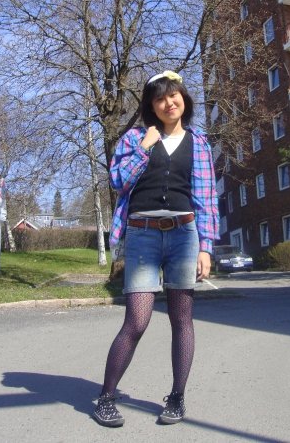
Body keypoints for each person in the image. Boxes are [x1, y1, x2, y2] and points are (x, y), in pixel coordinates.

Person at [93, 70, 219, 427]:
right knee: (137, 320)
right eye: (160, 98)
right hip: (142, 234)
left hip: (184, 235)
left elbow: (206, 198)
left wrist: (206, 247)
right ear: (152, 105)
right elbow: (118, 181)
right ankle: (106, 397)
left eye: (174, 95)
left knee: (182, 320)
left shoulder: (199, 143)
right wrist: (145, 148)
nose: (169, 103)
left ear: (184, 99)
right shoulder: (135, 138)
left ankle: (177, 398)